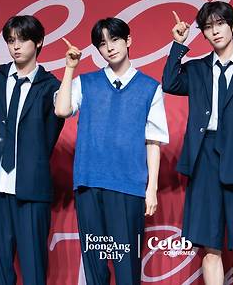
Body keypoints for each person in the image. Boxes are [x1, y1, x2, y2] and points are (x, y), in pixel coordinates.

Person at [161, 1, 233, 285]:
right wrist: (178, 44)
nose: (215, 32)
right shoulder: (197, 69)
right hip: (205, 159)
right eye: (208, 27)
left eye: (220, 24)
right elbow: (169, 83)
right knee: (209, 246)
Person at [54, 17, 168, 285]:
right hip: (89, 182)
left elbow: (153, 142)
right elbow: (61, 109)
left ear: (128, 41)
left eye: (115, 40)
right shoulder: (87, 82)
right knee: (95, 266)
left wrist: (151, 189)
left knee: (127, 266)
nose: (110, 48)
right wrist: (70, 68)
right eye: (102, 44)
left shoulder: (150, 88)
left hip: (129, 187)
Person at [0, 16, 64, 285]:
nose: (15, 46)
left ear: (39, 42)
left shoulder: (51, 85)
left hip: (30, 187)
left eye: (22, 40)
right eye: (10, 41)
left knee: (33, 269)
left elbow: (53, 128)